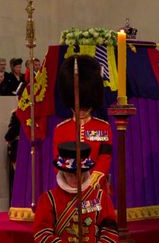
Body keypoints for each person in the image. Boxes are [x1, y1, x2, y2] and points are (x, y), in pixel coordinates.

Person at [33, 141, 119, 242]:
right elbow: (42, 233)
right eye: (70, 174)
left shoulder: (100, 197)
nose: (76, 178)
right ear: (63, 172)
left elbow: (110, 231)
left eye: (80, 173)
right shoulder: (47, 199)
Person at [53, 55, 113, 191]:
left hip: (96, 190)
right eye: (78, 107)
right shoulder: (60, 129)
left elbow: (104, 158)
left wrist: (91, 183)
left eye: (85, 107)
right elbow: (58, 161)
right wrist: (70, 184)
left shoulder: (103, 127)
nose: (81, 110)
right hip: (67, 188)